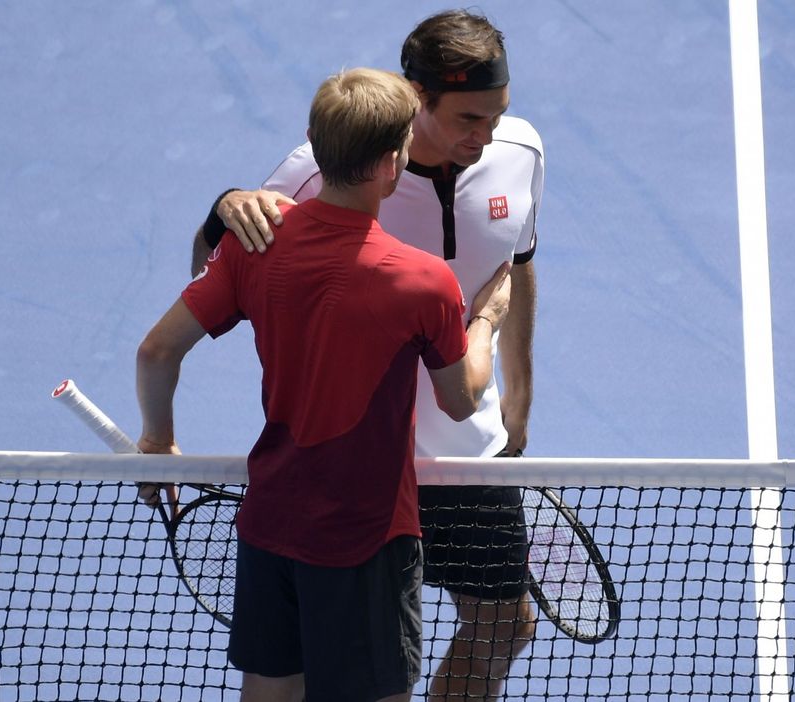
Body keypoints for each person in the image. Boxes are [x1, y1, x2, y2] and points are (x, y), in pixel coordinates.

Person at [189, 10, 542, 701]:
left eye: (497, 114)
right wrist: (223, 207)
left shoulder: (522, 151)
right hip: (361, 468)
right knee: (332, 671)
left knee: (505, 624)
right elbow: (218, 265)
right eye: (469, 119)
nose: (486, 134)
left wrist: (521, 395)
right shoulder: (319, 171)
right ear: (416, 98)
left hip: (469, 453)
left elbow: (517, 265)